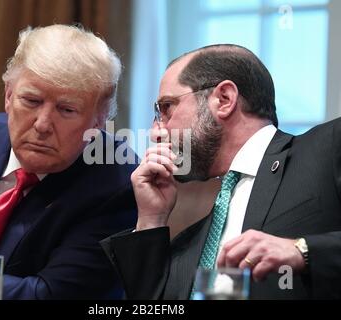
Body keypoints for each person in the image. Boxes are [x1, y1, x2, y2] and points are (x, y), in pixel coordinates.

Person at [101, 44, 341, 299]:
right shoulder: (190, 243)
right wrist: (151, 220)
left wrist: (302, 250)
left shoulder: (328, 148)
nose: (155, 132)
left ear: (224, 99)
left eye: (167, 108)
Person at [0, 24, 138, 300]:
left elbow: (52, 294)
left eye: (66, 110)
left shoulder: (116, 182)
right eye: (31, 100)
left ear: (100, 119)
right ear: (8, 95)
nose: (42, 125)